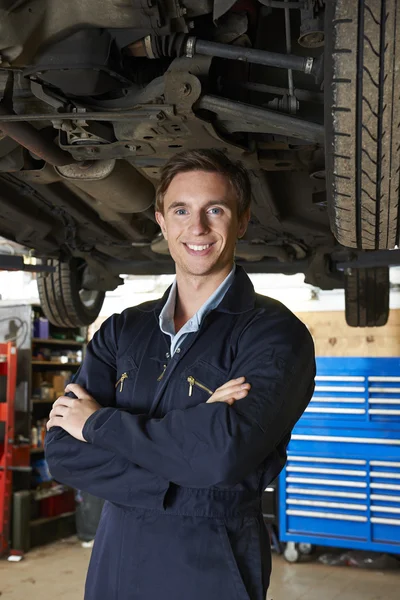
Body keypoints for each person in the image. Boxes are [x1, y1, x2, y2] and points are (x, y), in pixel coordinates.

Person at [45, 149, 315, 600]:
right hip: (114, 563)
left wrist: (96, 424)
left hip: (211, 564)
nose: (198, 228)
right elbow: (62, 452)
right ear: (162, 221)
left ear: (242, 221)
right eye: (181, 211)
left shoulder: (275, 334)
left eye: (215, 210)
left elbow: (221, 457)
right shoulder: (121, 329)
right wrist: (190, 441)